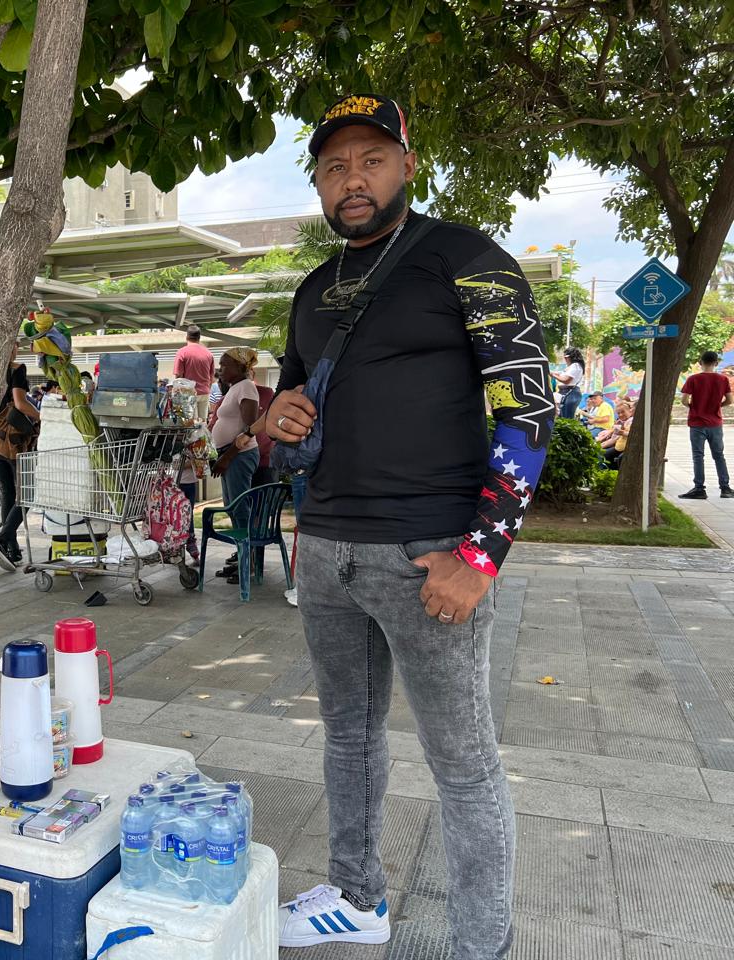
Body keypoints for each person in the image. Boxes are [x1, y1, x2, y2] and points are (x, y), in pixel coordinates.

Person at [266, 94, 552, 957]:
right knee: (347, 740)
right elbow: (292, 410)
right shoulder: (315, 288)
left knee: (463, 766)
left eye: (372, 160)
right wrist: (281, 421)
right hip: (326, 554)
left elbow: (529, 412)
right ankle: (356, 898)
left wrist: (481, 553)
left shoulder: (467, 259)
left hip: (430, 558)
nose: (353, 180)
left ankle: (481, 944)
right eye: (334, 166)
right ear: (319, 181)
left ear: (407, 165)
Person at [210, 347, 262, 582]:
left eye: (224, 365)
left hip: (239, 456)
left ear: (241, 367)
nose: (220, 370)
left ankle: (248, 565)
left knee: (240, 510)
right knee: (232, 508)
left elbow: (249, 430)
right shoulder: (235, 387)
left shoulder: (247, 387)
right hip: (229, 456)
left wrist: (227, 457)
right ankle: (241, 556)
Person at [0, 346, 39, 571]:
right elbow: (19, 403)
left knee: (8, 492)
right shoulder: (16, 369)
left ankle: (12, 549)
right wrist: (42, 415)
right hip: (15, 441)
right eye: (14, 344)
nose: (16, 349)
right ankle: (2, 539)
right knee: (27, 494)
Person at [679, 350, 733, 499]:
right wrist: (717, 406)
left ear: (700, 362)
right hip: (715, 423)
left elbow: (684, 400)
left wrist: (692, 406)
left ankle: (699, 489)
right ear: (716, 363)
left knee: (698, 456)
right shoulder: (723, 379)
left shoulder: (693, 379)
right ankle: (725, 488)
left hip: (697, 422)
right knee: (719, 455)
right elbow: (729, 400)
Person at [174, 324, 215, 399]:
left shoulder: (182, 352)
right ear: (199, 338)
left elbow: (178, 375)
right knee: (203, 411)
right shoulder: (209, 353)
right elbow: (211, 376)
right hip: (205, 393)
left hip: (188, 393)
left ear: (187, 337)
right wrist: (207, 389)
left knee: (190, 411)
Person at [553, 347, 584, 419]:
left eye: (566, 357)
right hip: (566, 393)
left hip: (570, 393)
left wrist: (554, 375)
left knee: (566, 417)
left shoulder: (575, 366)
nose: (565, 360)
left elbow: (566, 380)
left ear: (570, 357)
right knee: (562, 415)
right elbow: (560, 374)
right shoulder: (571, 367)